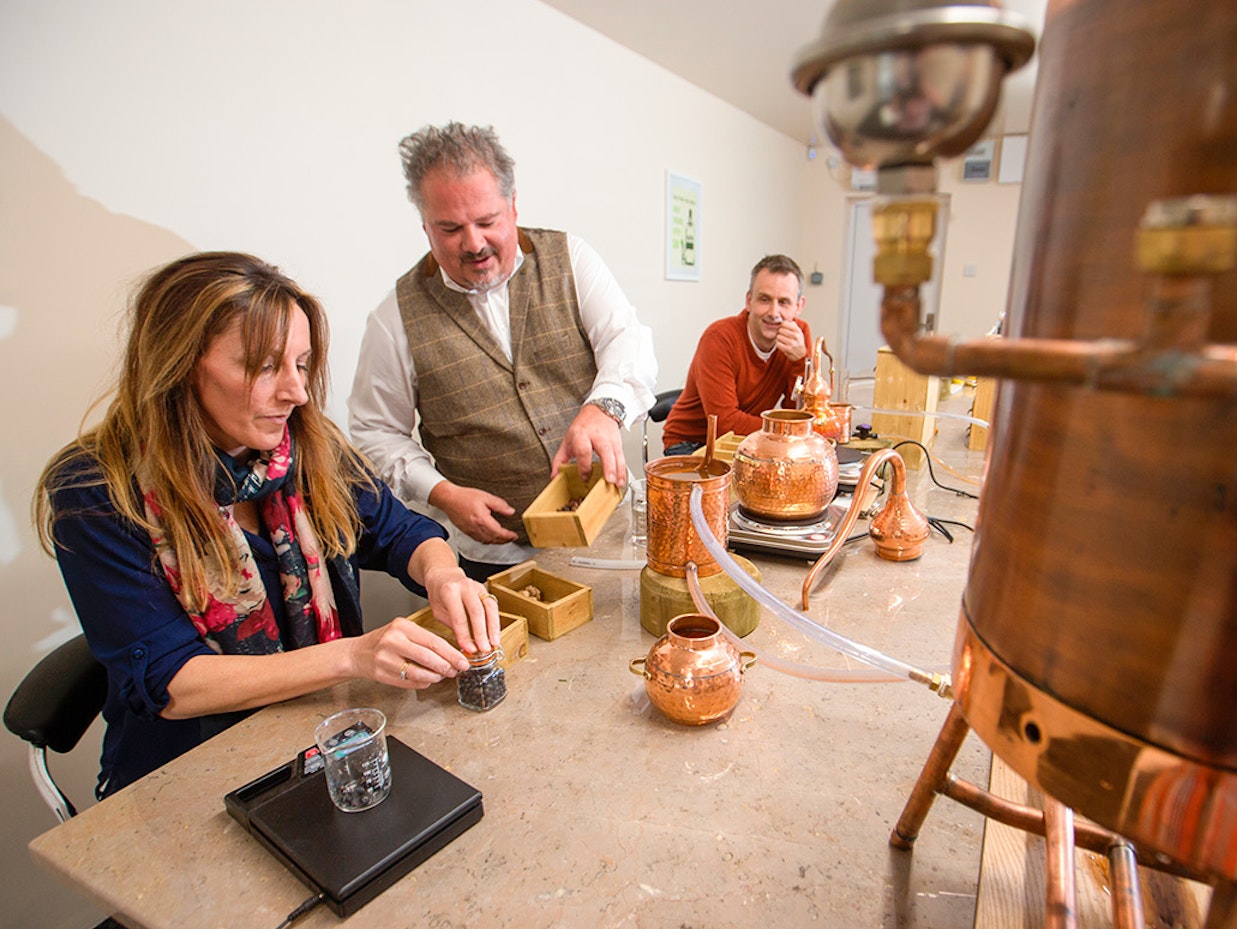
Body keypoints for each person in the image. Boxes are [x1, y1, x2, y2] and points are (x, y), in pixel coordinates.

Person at [34, 252, 498, 799]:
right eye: (264, 367)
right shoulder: (95, 492)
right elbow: (174, 682)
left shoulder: (303, 445)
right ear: (179, 366)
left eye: (301, 365)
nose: (297, 392)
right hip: (184, 772)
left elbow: (400, 533)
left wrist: (444, 576)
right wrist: (353, 655)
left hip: (324, 740)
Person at [350, 123, 657, 581]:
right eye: (450, 228)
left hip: (606, 529)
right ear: (425, 226)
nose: (473, 244)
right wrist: (442, 493)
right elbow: (375, 433)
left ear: (513, 207)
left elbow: (625, 340)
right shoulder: (393, 317)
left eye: (487, 221)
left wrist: (604, 408)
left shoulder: (571, 258)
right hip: (491, 560)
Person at [661, 254, 812, 455]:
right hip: (693, 443)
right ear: (749, 301)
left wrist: (801, 362)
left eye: (784, 302)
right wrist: (785, 430)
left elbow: (802, 415)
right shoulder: (719, 337)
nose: (774, 312)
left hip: (749, 443)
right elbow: (725, 423)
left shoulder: (799, 336)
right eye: (764, 299)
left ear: (798, 306)